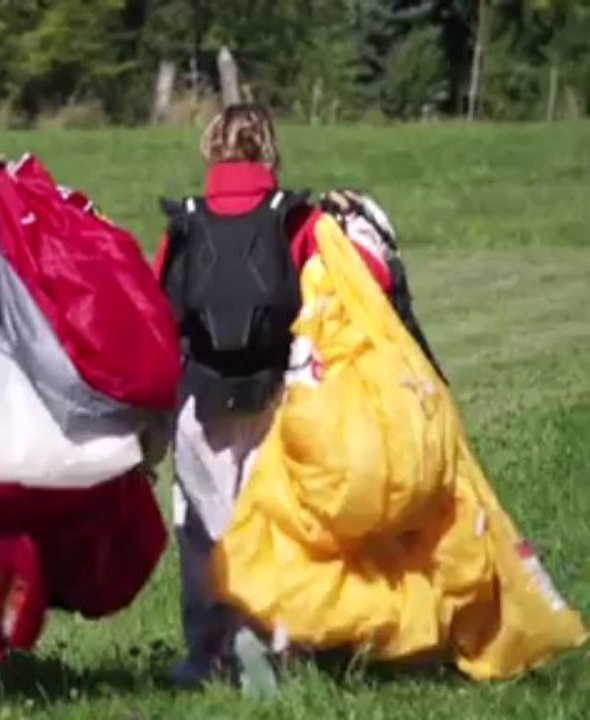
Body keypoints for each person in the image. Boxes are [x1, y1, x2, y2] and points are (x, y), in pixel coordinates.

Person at [154, 104, 393, 693]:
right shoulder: (299, 220)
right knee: (280, 525)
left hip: (199, 400)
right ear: (270, 151)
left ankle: (206, 656)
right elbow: (371, 281)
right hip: (278, 395)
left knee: (204, 531)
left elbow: (157, 308)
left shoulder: (185, 221)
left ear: (211, 149)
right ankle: (275, 650)